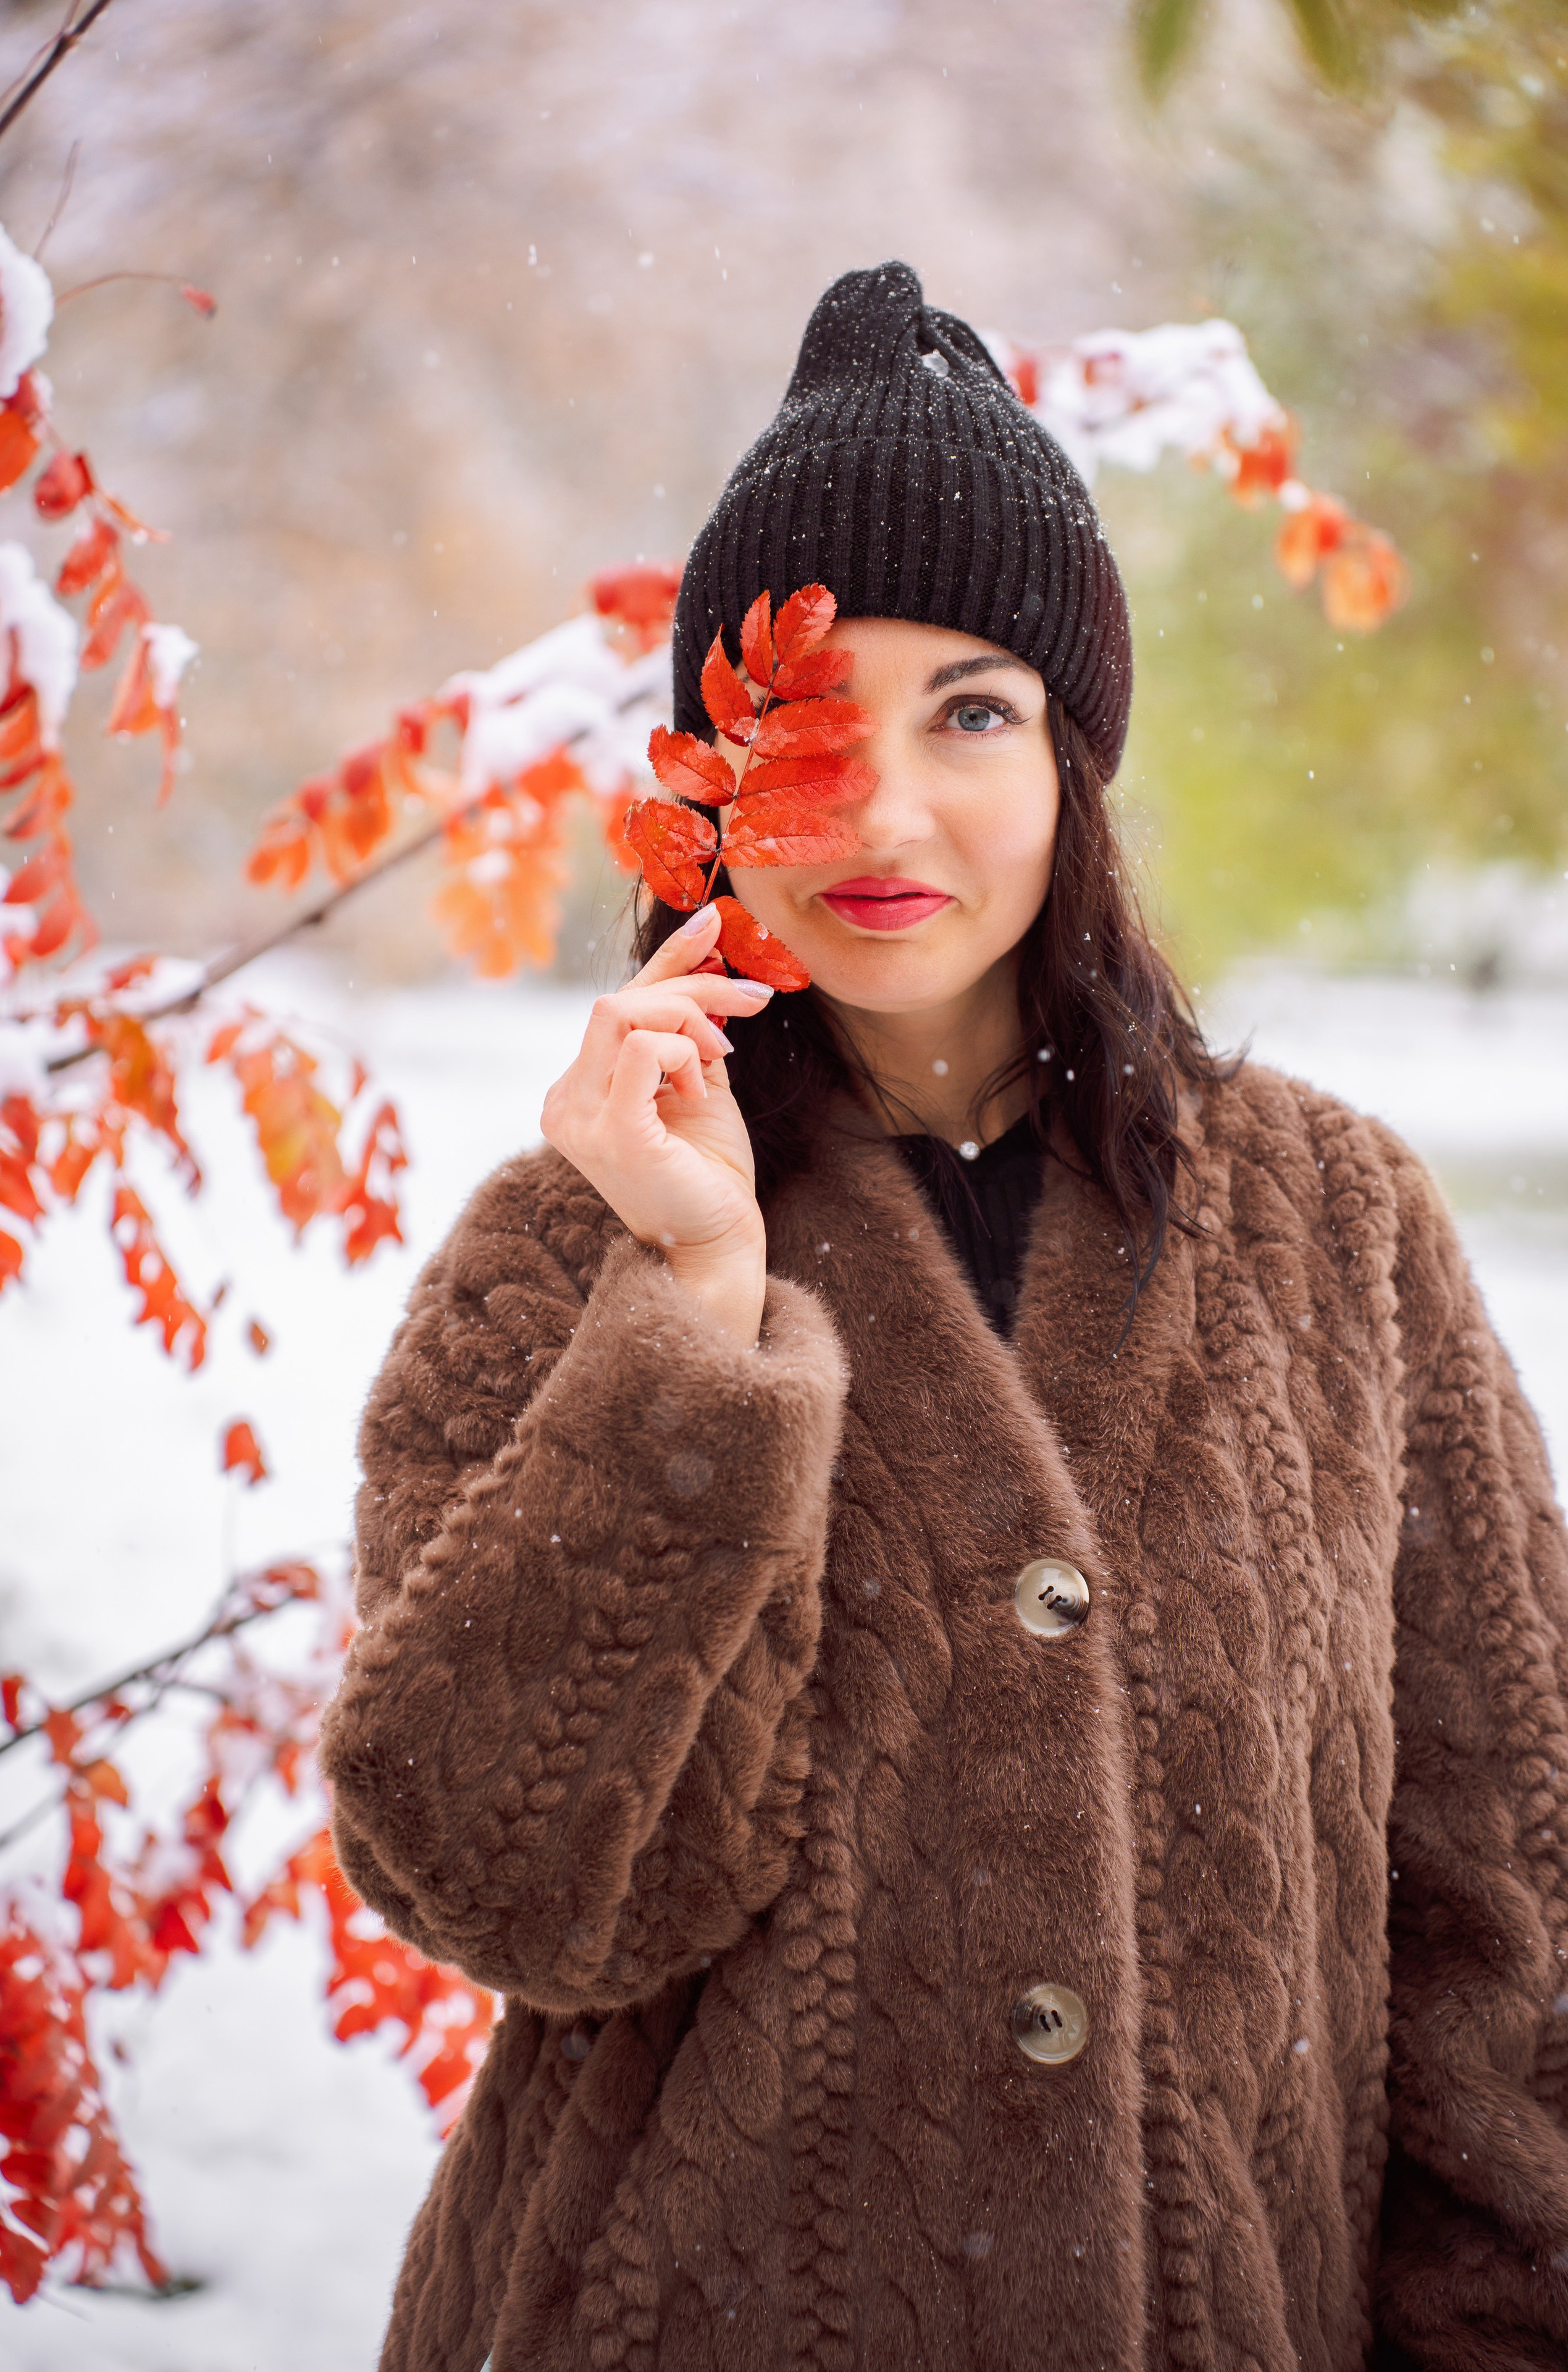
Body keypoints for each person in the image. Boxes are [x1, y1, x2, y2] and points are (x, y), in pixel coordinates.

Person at [321, 263, 1568, 2372]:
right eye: (808, 726)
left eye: (971, 712)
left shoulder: (1345, 1233)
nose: (885, 814)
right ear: (718, 773)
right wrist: (699, 1321)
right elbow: (504, 1888)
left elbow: (1505, 1925)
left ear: (1077, 760)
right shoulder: (568, 1255)